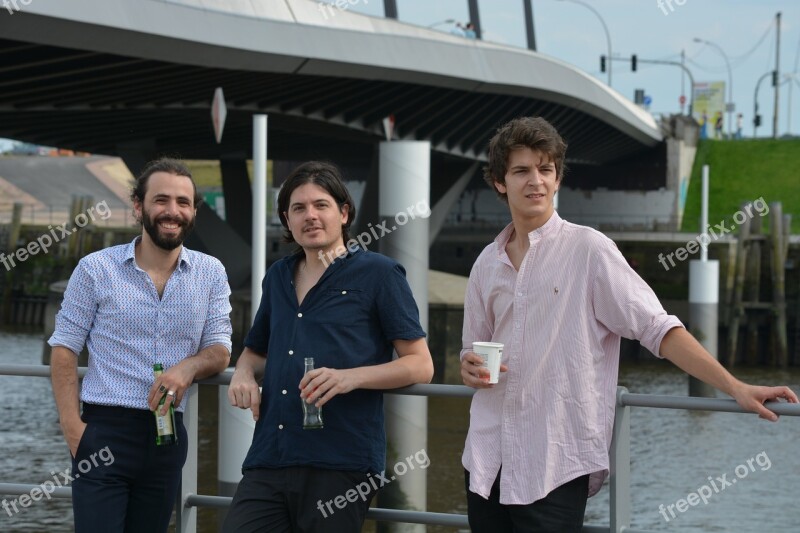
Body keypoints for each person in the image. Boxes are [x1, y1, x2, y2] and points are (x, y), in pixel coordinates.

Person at [459, 116, 798, 532]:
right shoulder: (484, 265)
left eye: (546, 169)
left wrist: (736, 387)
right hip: (486, 458)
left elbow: (659, 329)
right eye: (521, 171)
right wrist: (469, 366)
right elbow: (473, 348)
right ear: (499, 182)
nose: (536, 181)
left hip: (554, 461)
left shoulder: (590, 251)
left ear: (558, 177)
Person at [223, 161, 434, 533]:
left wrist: (349, 378)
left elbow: (420, 365)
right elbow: (255, 351)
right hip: (270, 454)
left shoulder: (380, 275)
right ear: (287, 220)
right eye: (298, 208)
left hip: (340, 462)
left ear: (344, 212)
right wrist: (242, 373)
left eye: (321, 205)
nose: (311, 216)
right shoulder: (277, 276)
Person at [49, 158, 233, 533]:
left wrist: (187, 368)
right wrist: (73, 428)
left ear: (193, 211)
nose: (173, 211)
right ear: (139, 206)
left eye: (183, 202)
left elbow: (220, 349)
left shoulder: (211, 272)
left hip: (167, 438)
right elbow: (64, 348)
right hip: (103, 431)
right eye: (161, 200)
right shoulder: (95, 269)